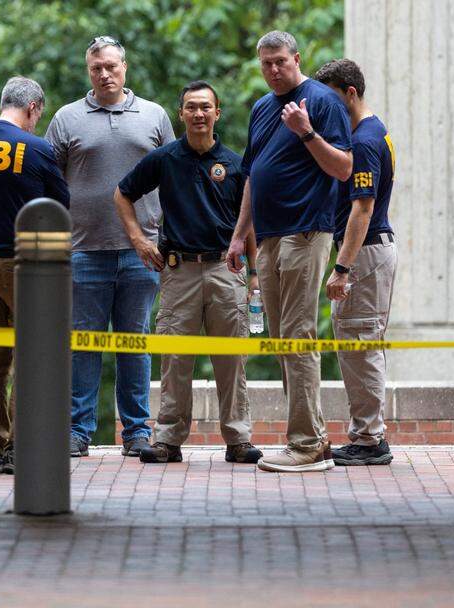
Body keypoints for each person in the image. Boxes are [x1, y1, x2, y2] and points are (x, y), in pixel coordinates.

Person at [114, 80, 263, 465]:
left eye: (205, 107)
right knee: (175, 359)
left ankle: (239, 439)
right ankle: (167, 439)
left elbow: (249, 222)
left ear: (217, 113)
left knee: (232, 359)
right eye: (191, 107)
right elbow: (122, 193)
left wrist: (257, 274)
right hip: (178, 271)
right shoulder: (165, 158)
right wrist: (139, 241)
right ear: (180, 114)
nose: (198, 114)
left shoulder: (234, 164)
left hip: (225, 271)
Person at [225, 31, 352, 473]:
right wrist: (241, 235)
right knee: (283, 340)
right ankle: (313, 437)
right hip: (270, 238)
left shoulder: (321, 102)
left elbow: (343, 167)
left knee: (298, 337)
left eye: (280, 61)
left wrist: (306, 132)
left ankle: (305, 444)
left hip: (307, 233)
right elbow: (253, 177)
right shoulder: (262, 108)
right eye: (266, 64)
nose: (273, 70)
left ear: (297, 59)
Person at [45, 35, 175, 458]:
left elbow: (174, 181)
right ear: (89, 71)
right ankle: (77, 430)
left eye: (111, 66)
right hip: (82, 250)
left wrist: (167, 237)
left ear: (125, 68)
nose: (104, 74)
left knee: (133, 342)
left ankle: (136, 430)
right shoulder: (66, 118)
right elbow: (47, 185)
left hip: (144, 251)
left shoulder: (154, 116)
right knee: (83, 343)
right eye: (96, 68)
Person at [0, 76, 70, 474]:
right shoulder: (38, 149)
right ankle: (22, 447)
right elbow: (60, 208)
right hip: (23, 268)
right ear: (34, 107)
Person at [314, 59, 397, 466]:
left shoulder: (364, 141)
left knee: (359, 344)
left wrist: (342, 268)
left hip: (365, 255)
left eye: (330, 98)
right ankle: (366, 434)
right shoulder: (371, 130)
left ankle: (369, 440)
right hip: (371, 252)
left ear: (350, 92)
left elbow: (362, 209)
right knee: (358, 343)